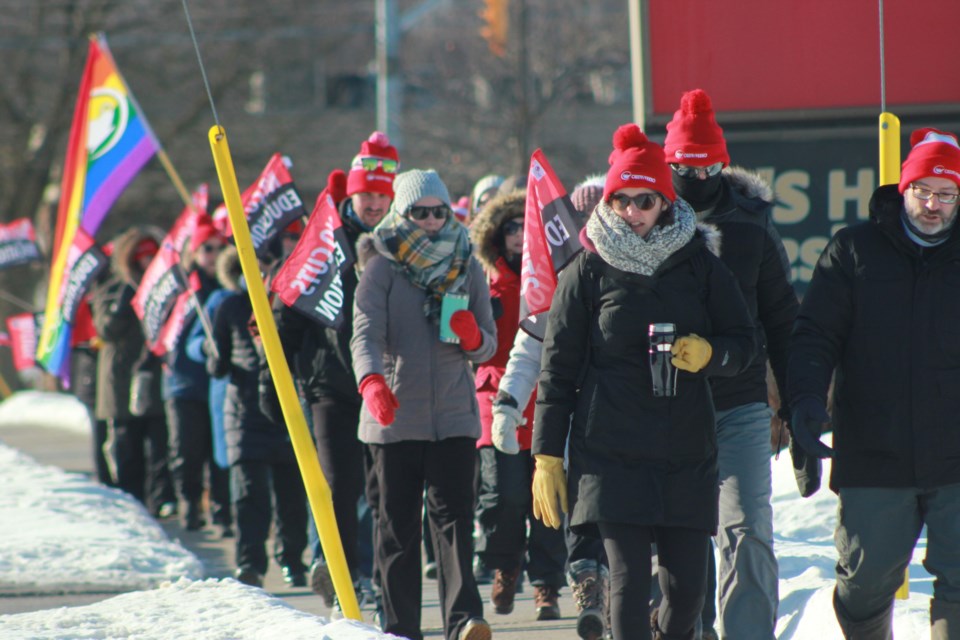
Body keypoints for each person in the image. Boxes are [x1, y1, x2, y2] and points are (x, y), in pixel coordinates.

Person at [531, 124, 756, 640]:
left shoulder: (699, 263)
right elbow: (558, 370)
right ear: (608, 202)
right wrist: (547, 455)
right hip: (612, 452)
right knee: (629, 589)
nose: (633, 212)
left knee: (686, 596)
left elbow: (744, 343)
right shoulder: (586, 271)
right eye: (623, 200)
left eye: (645, 200)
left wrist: (710, 354)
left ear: (665, 201)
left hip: (686, 450)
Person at [787, 127, 960, 639]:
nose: (933, 204)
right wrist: (804, 400)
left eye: (946, 194)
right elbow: (814, 334)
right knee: (865, 584)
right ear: (903, 189)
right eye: (923, 191)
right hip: (875, 452)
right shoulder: (854, 251)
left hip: (955, 454)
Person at [662, 88, 798, 640]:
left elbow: (784, 320)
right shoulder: (644, 217)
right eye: (683, 167)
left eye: (707, 166)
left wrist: (796, 405)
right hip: (663, 402)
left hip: (739, 398)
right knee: (674, 538)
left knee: (746, 530)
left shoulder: (752, 227)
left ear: (723, 163)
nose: (695, 177)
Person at [351, 169, 496, 640]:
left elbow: (488, 344)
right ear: (402, 212)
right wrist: (371, 381)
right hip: (393, 418)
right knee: (396, 529)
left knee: (455, 520)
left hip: (453, 415)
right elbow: (365, 332)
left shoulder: (467, 263)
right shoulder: (381, 265)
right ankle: (399, 628)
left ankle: (464, 621)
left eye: (439, 211)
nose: (432, 220)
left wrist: (475, 336)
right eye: (420, 212)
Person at [275, 132, 398, 612]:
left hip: (390, 385)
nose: (373, 204)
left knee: (386, 492)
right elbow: (289, 310)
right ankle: (347, 580)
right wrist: (277, 379)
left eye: (381, 195)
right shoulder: (325, 239)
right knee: (339, 486)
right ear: (351, 195)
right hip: (332, 383)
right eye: (365, 194)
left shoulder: (402, 239)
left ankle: (384, 580)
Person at [469, 189, 568, 622]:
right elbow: (470, 346)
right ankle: (506, 567)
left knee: (546, 497)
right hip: (496, 401)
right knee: (504, 498)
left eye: (523, 228)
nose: (517, 236)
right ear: (495, 236)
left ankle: (547, 583)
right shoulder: (482, 281)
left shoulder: (554, 281)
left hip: (545, 399)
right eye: (510, 228)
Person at [206, 246, 307, 588]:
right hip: (244, 413)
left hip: (284, 411)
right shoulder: (230, 306)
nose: (262, 273)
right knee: (250, 496)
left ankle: (292, 558)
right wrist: (216, 358)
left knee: (292, 494)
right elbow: (216, 361)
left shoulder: (290, 304)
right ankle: (250, 565)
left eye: (268, 266)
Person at [89, 226, 176, 516]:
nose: (146, 262)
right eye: (141, 256)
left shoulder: (165, 289)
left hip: (153, 377)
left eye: (152, 256)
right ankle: (132, 500)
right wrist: (126, 299)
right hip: (121, 383)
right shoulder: (112, 289)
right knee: (128, 448)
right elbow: (106, 329)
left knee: (159, 447)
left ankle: (161, 498)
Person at [163, 215, 231, 534]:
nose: (213, 255)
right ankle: (189, 501)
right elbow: (167, 334)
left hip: (219, 384)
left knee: (220, 449)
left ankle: (221, 506)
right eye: (206, 248)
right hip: (185, 384)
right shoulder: (182, 289)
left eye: (219, 248)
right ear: (194, 251)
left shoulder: (227, 287)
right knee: (188, 449)